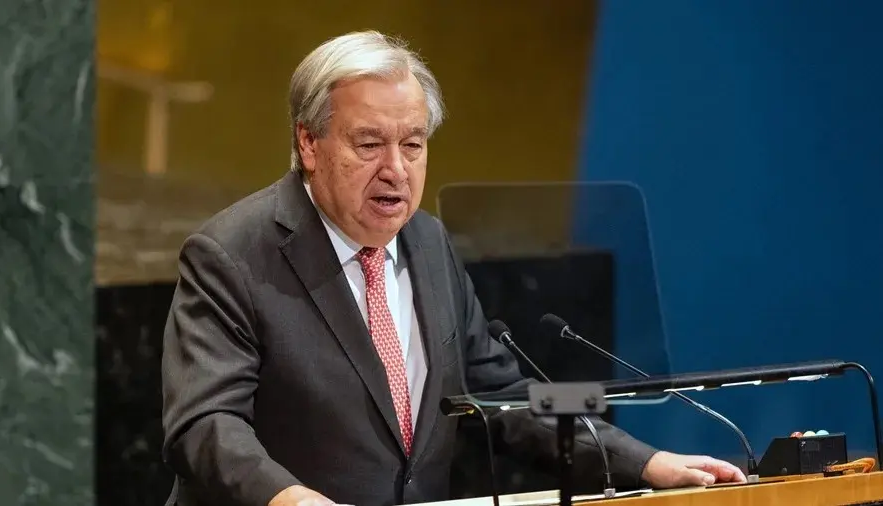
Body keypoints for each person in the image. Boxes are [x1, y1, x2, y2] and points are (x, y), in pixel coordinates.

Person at [160, 30, 746, 506]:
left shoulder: (427, 241)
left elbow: (505, 393)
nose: (396, 169)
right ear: (309, 144)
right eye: (369, 145)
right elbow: (206, 423)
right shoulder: (232, 254)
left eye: (412, 145)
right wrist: (289, 499)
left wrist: (644, 460)